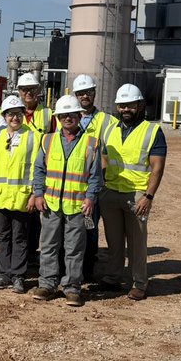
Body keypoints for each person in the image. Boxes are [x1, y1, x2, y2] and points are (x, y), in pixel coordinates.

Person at [28, 95, 102, 307]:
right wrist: (38, 193)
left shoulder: (91, 143)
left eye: (72, 114)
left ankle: (72, 288)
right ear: (58, 118)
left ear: (79, 116)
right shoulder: (47, 140)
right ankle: (47, 284)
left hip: (78, 205)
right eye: (63, 115)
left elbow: (96, 176)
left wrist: (91, 198)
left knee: (74, 248)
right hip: (51, 204)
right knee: (49, 245)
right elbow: (39, 169)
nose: (67, 118)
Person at [99, 84, 167, 300]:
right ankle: (113, 278)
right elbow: (104, 157)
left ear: (139, 105)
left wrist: (148, 196)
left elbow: (157, 167)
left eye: (130, 105)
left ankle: (139, 283)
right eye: (122, 105)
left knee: (137, 242)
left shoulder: (152, 131)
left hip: (137, 195)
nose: (125, 109)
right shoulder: (110, 129)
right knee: (114, 241)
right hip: (111, 192)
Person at [0, 95, 35, 294]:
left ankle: (18, 276)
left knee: (20, 237)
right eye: (11, 114)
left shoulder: (33, 137)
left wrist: (33, 194)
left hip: (22, 196)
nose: (15, 117)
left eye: (18, 113)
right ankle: (4, 274)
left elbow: (37, 169)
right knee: (3, 236)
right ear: (4, 116)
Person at [73, 73, 113, 283]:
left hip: (93, 187)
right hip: (70, 185)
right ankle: (70, 267)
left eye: (88, 92)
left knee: (90, 227)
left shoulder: (107, 121)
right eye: (80, 93)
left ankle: (87, 268)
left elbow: (111, 154)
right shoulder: (66, 116)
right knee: (70, 228)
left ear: (94, 93)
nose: (84, 96)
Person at [17, 71, 53, 271]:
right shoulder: (12, 112)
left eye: (32, 89)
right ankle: (19, 254)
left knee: (37, 216)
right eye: (24, 89)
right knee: (18, 215)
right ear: (19, 92)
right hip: (16, 172)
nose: (28, 93)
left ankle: (32, 253)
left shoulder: (48, 115)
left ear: (39, 90)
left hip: (41, 172)